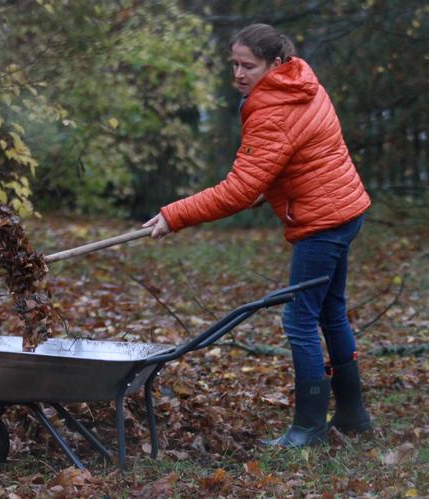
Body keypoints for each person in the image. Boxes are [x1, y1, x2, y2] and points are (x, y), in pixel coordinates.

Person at [143, 23, 373, 447]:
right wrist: (265, 186)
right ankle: (353, 415)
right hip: (344, 208)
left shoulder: (272, 108)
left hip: (322, 221)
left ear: (276, 63)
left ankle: (309, 428)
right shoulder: (301, 82)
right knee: (331, 313)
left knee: (300, 320)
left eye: (248, 65)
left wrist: (174, 215)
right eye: (234, 64)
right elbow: (296, 158)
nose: (239, 74)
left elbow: (238, 189)